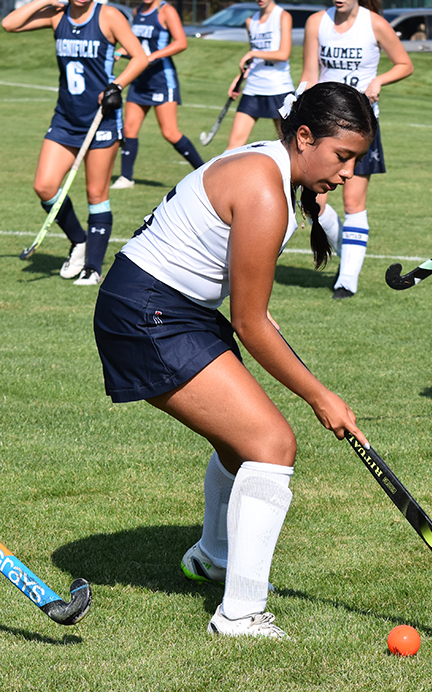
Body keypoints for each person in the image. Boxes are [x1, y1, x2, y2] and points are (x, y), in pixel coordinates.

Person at [93, 83, 375, 638]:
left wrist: (316, 390)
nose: (347, 173)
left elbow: (255, 320)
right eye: (342, 157)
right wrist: (320, 396)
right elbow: (251, 322)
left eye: (356, 161)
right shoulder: (264, 189)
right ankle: (240, 612)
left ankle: (213, 558)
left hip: (170, 306)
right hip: (148, 311)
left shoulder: (269, 169)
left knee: (240, 441)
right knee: (272, 444)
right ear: (303, 137)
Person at [2, 0, 147, 285]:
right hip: (65, 119)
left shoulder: (108, 16)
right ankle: (78, 242)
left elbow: (140, 57)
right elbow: (9, 24)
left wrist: (116, 86)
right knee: (44, 186)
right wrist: (44, 1)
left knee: (96, 194)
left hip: (101, 119)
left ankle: (93, 268)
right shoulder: (58, 16)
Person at [301, 0, 413, 299]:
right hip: (325, 127)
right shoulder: (316, 22)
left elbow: (405, 64)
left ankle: (347, 279)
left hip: (361, 127)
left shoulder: (374, 23)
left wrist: (379, 80)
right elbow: (310, 74)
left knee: (352, 202)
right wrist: (299, 106)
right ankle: (347, 256)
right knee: (315, 204)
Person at [111, 0, 204, 190]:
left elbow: (181, 43)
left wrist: (154, 55)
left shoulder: (166, 11)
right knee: (129, 130)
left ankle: (204, 171)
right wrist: (123, 50)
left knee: (170, 132)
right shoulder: (138, 11)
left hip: (162, 80)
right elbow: (137, 42)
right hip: (139, 79)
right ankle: (126, 178)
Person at [225, 0, 294, 150]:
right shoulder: (251, 21)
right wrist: (239, 80)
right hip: (253, 88)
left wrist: (252, 52)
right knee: (232, 147)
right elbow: (253, 62)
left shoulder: (283, 16)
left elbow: (283, 54)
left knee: (288, 146)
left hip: (278, 88)